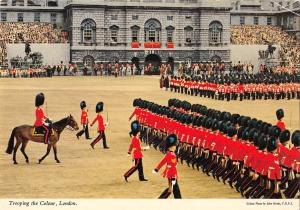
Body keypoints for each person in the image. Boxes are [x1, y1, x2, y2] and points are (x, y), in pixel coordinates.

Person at [153, 134, 182, 199]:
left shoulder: (169, 154)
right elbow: (172, 166)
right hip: (172, 173)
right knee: (173, 189)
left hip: (170, 173)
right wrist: (174, 177)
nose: (175, 147)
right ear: (171, 147)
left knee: (173, 189)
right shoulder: (172, 155)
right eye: (174, 146)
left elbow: (162, 162)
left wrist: (156, 169)